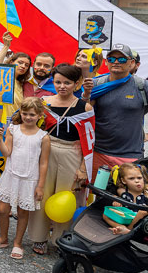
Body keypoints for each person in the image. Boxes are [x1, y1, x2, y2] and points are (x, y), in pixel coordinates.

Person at [27, 64, 92, 255]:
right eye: (57, 82)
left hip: (72, 152)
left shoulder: (84, 106)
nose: (62, 86)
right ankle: (38, 237)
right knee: (42, 193)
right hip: (45, 150)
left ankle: (60, 238)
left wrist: (83, 167)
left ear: (77, 83)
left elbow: (88, 140)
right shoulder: (44, 102)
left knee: (65, 196)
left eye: (67, 82)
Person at [0, 98, 50, 260]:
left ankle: (18, 243)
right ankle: (3, 238)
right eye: (25, 113)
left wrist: (40, 186)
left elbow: (43, 163)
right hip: (11, 175)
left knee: (23, 213)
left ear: (39, 115)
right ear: (20, 113)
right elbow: (6, 153)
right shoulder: (13, 129)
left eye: (32, 114)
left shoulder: (43, 137)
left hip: (29, 179)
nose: (28, 117)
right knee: (3, 210)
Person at [91, 44, 147, 177]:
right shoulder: (96, 85)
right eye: (111, 59)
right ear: (106, 62)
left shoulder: (142, 86)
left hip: (130, 156)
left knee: (126, 195)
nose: (116, 62)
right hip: (99, 153)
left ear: (132, 63)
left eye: (121, 59)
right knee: (98, 195)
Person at [103, 163, 148, 235]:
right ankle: (120, 227)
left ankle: (128, 230)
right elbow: (114, 195)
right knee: (106, 214)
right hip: (126, 217)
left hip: (141, 221)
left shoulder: (145, 193)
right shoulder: (122, 191)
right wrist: (116, 201)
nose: (137, 181)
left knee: (142, 212)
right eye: (131, 178)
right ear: (124, 181)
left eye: (139, 178)